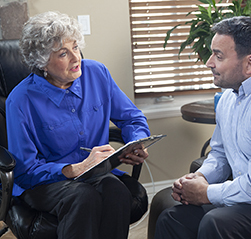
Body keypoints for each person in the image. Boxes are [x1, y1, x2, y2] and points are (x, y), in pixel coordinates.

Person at [6, 11, 150, 239]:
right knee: (83, 197)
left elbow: (132, 118)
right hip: (44, 182)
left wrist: (136, 142)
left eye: (76, 47)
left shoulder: (97, 73)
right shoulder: (20, 100)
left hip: (95, 173)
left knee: (116, 191)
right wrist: (74, 169)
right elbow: (25, 170)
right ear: (42, 62)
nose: (76, 58)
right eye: (64, 53)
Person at [155, 16, 251, 239]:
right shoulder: (229, 97)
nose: (209, 62)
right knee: (173, 218)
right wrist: (200, 177)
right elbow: (220, 154)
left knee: (217, 223)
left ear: (250, 63)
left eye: (218, 55)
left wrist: (207, 193)